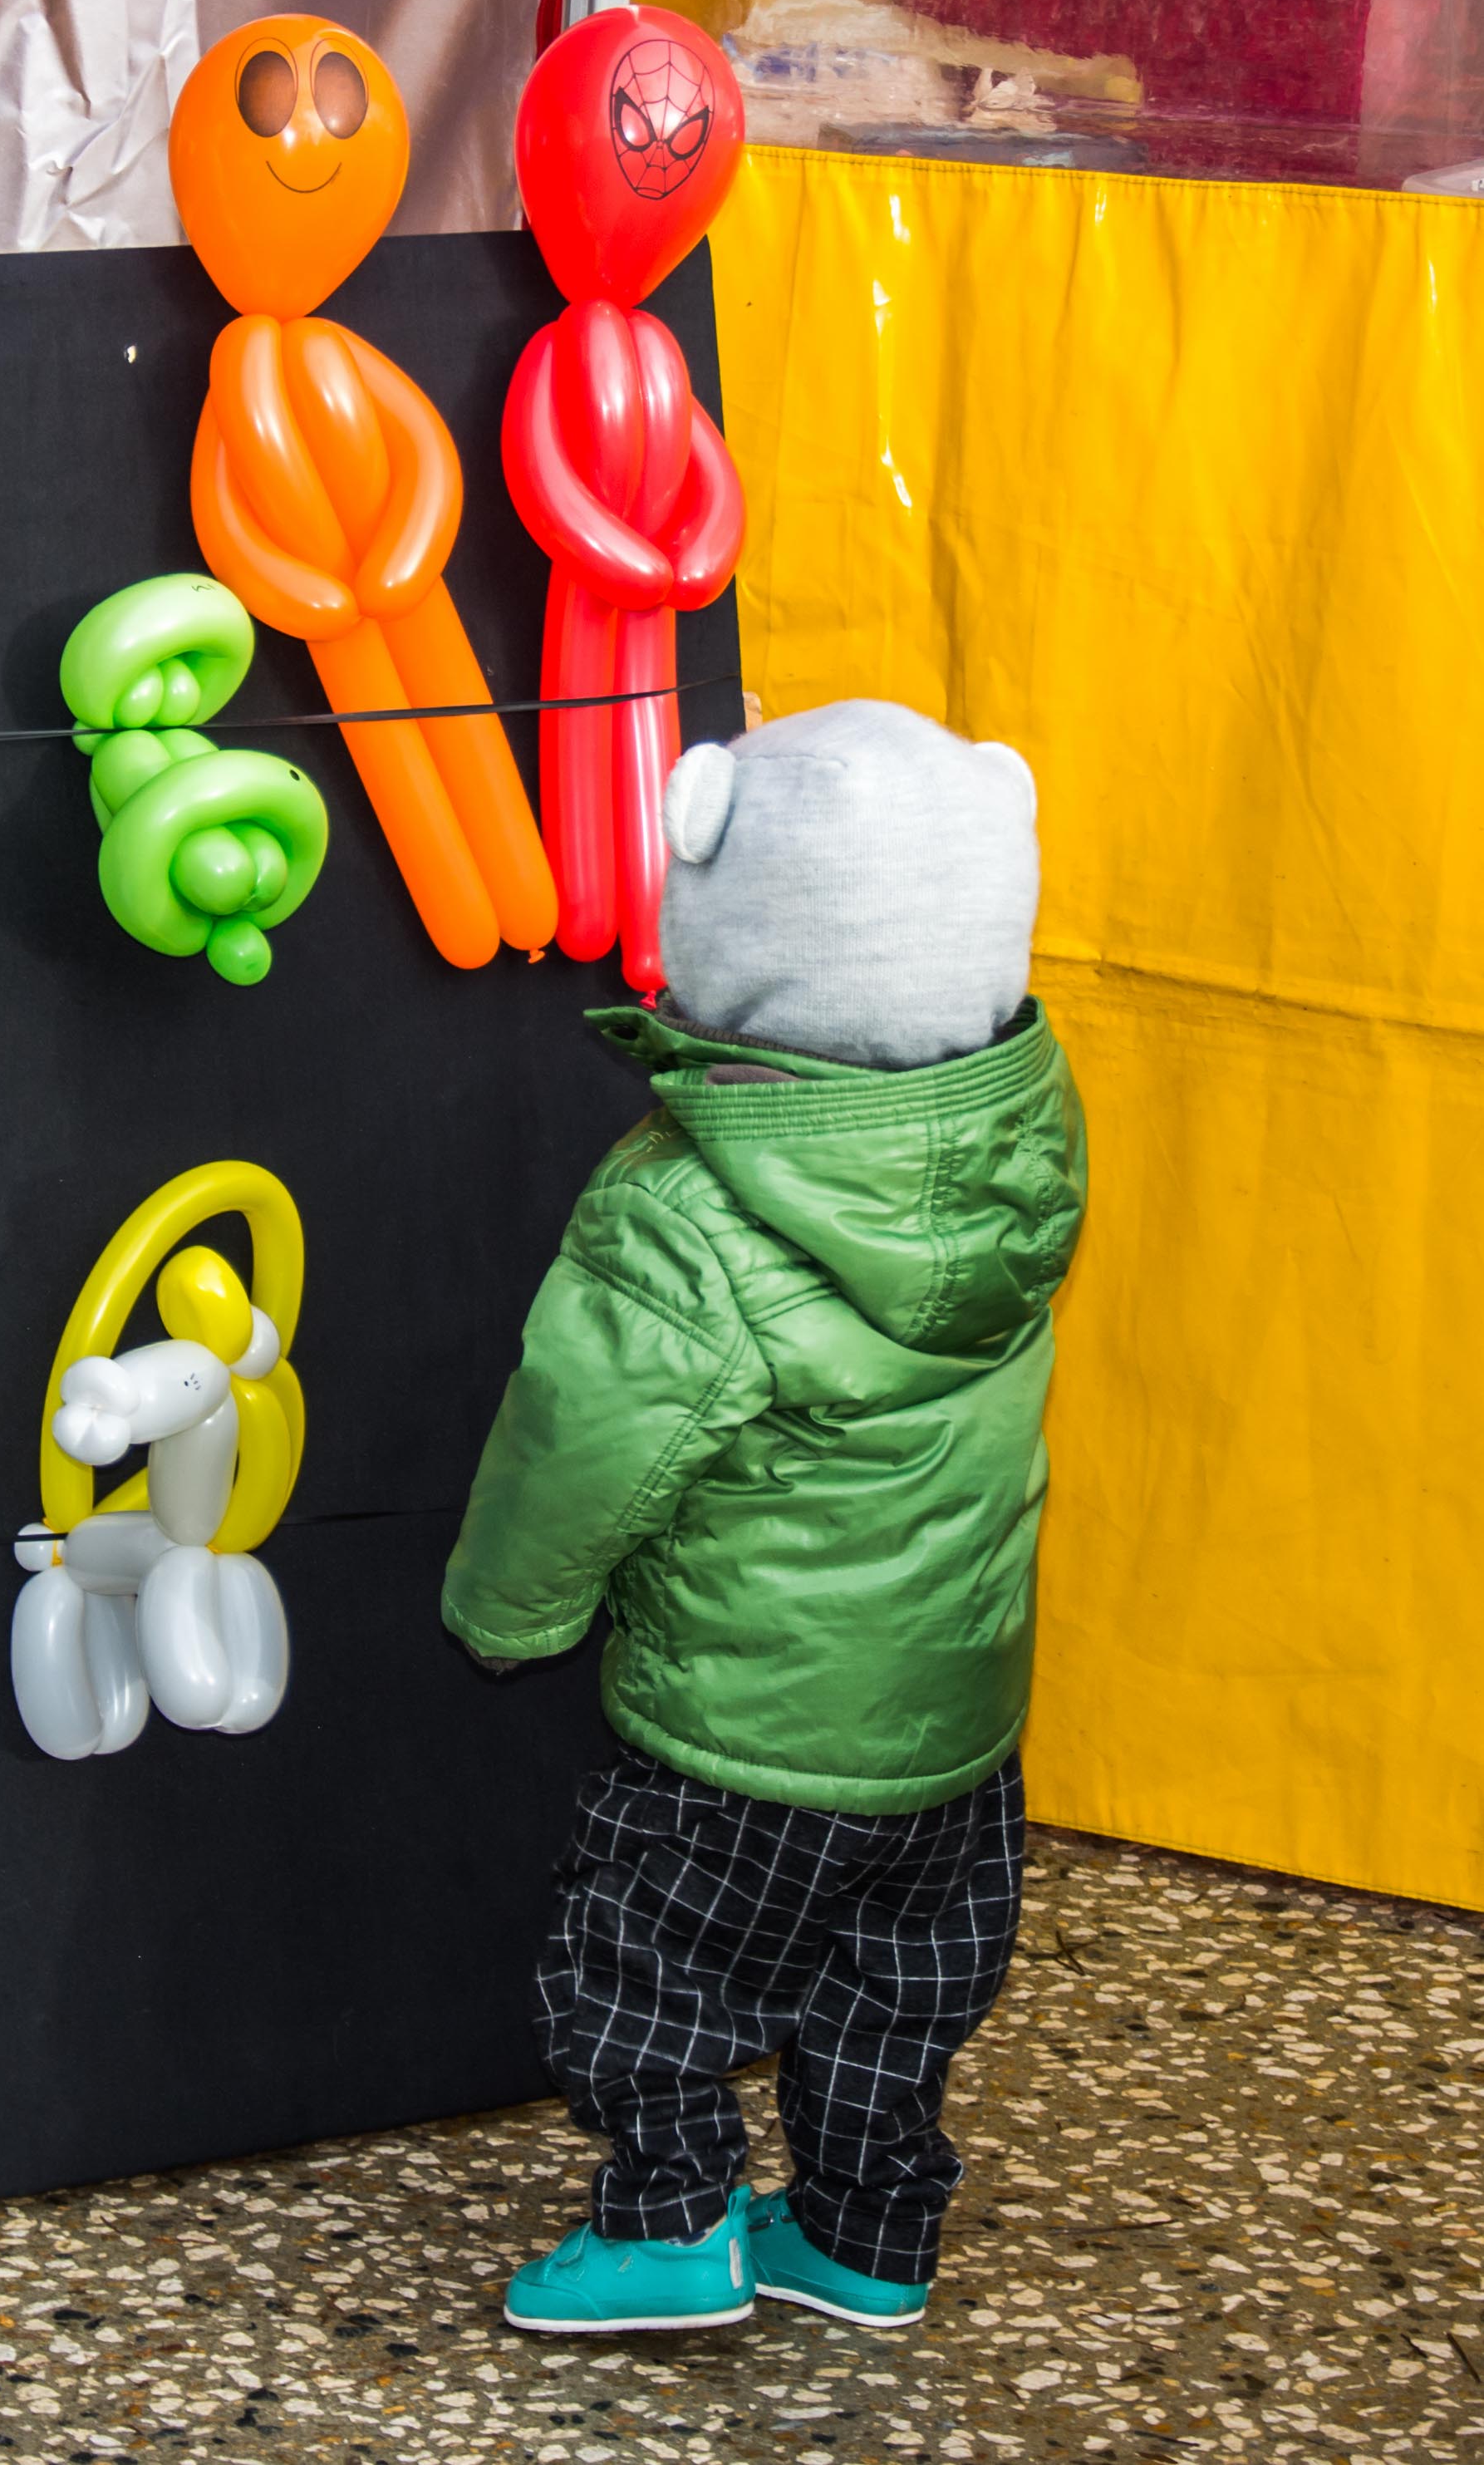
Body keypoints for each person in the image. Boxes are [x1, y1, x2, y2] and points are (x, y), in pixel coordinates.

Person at [443, 699, 1087, 2335]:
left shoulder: (685, 1207)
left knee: (645, 1969)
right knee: (900, 1991)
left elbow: (583, 1442)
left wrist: (505, 1610)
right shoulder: (1023, 1156)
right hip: (958, 1731)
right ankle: (867, 2235)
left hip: (745, 1726)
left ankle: (668, 2227)